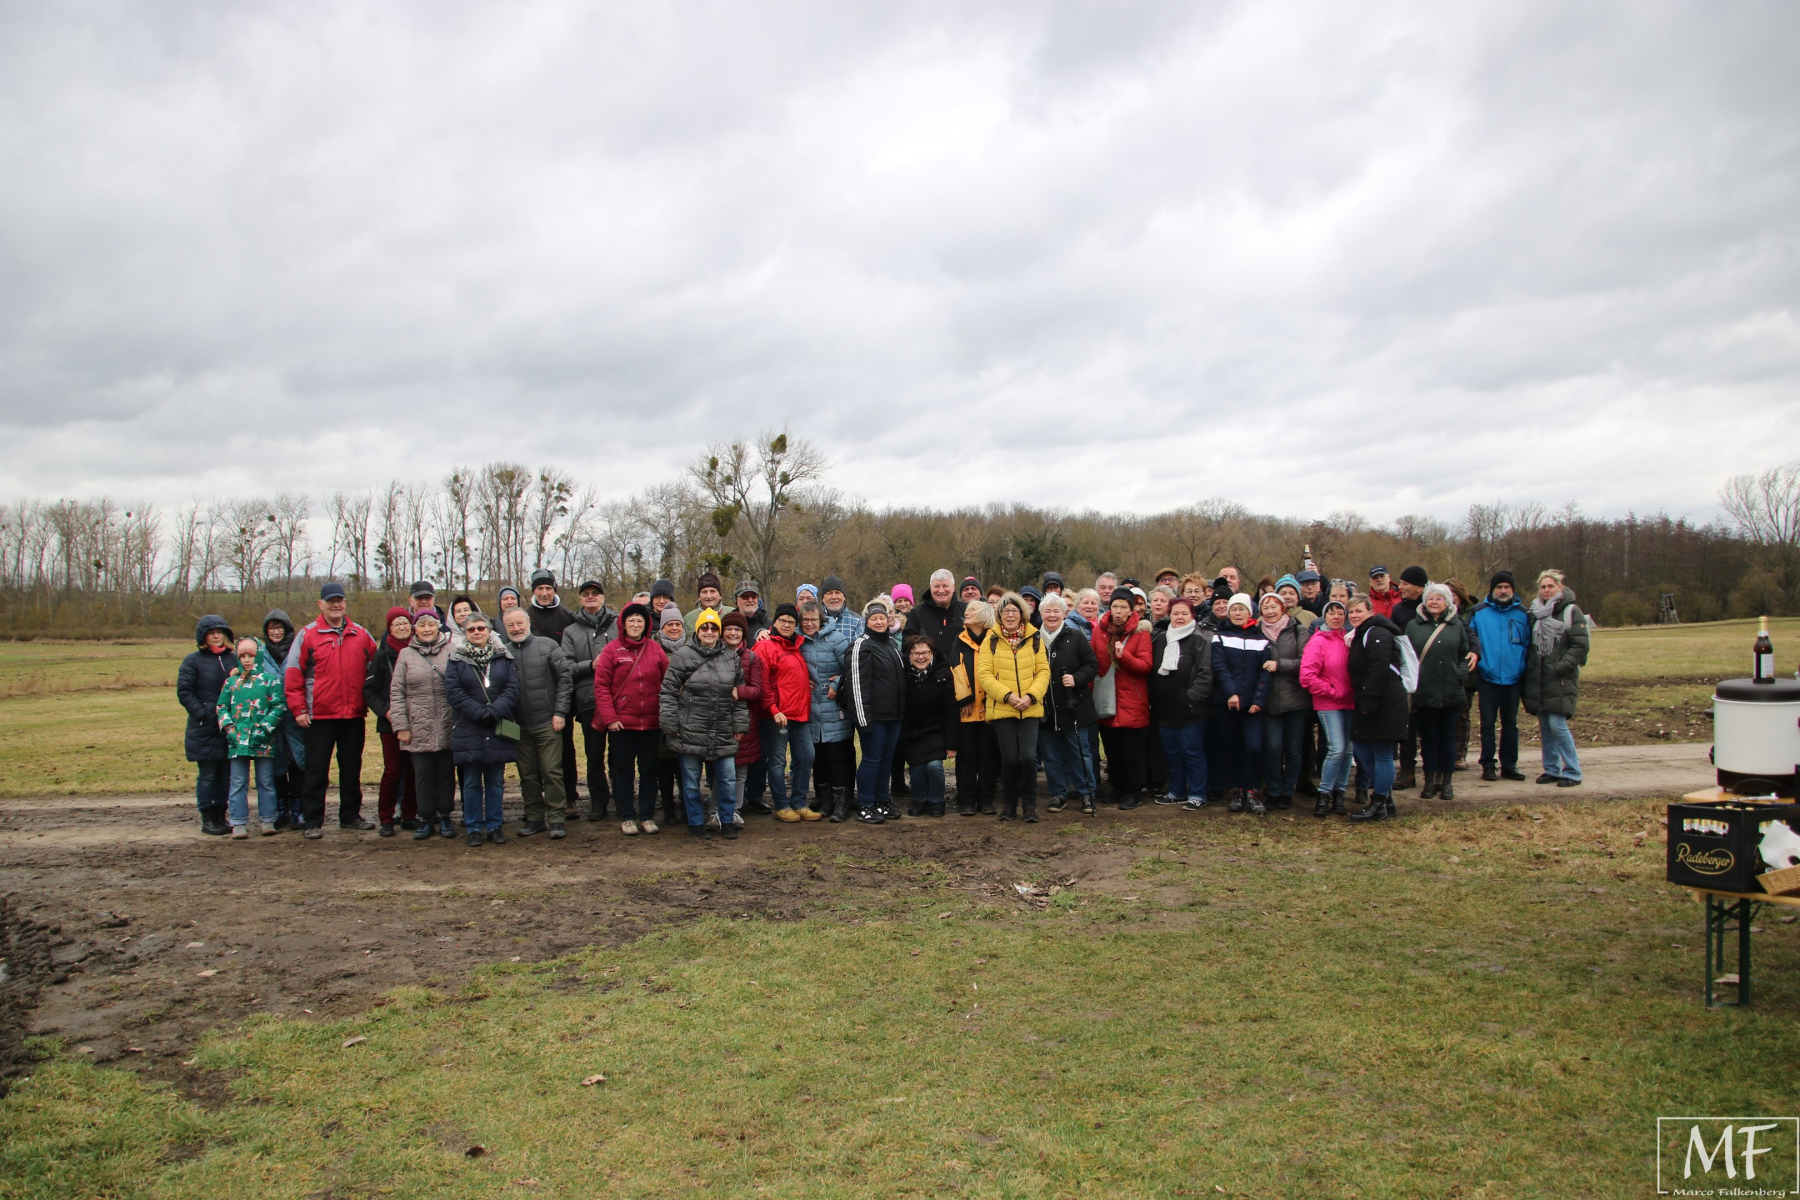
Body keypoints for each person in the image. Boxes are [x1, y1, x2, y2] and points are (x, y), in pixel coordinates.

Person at [284, 583, 379, 839]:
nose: (336, 605)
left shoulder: (361, 634)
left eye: (340, 601)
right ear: (321, 604)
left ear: (345, 603)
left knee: (351, 768)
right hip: (320, 715)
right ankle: (312, 821)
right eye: (330, 601)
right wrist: (299, 709)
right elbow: (293, 674)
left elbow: (376, 669)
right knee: (316, 770)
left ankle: (350, 816)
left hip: (353, 714)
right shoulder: (307, 635)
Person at [661, 608, 748, 841]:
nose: (709, 632)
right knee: (691, 781)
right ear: (697, 630)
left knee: (728, 778)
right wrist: (671, 725)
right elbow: (668, 692)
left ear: (719, 632)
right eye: (704, 627)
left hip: (723, 728)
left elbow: (738, 696)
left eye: (713, 628)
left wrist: (740, 726)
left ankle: (726, 821)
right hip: (689, 728)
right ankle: (696, 823)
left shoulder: (731, 657)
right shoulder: (682, 656)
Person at [444, 613, 519, 846]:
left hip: (497, 726)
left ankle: (495, 826)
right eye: (471, 629)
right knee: (471, 782)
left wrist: (494, 711)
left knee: (495, 781)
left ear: (488, 630)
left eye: (480, 628)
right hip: (469, 727)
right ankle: (474, 827)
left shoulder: (504, 657)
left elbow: (512, 688)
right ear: (465, 633)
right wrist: (478, 712)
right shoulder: (456, 660)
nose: (476, 632)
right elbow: (453, 692)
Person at [594, 602, 669, 835]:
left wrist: (665, 715)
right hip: (622, 724)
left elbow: (667, 682)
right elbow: (601, 687)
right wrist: (610, 718)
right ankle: (627, 816)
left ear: (646, 624)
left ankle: (647, 815)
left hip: (651, 723)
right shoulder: (611, 651)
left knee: (649, 771)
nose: (636, 624)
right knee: (624, 771)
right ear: (623, 624)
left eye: (640, 620)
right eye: (631, 620)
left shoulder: (655, 649)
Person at [975, 592, 1050, 822]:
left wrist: (1031, 696)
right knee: (1010, 759)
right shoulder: (990, 640)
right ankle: (1008, 805)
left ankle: (1029, 805)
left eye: (1014, 611)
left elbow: (1043, 671)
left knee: (1028, 758)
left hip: (1030, 707)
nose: (1010, 615)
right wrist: (1007, 696)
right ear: (999, 615)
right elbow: (984, 674)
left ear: (1021, 614)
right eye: (1005, 611)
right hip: (1002, 708)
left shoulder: (1035, 638)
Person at [501, 607, 573, 838]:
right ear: (505, 628)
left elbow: (564, 679)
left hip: (547, 722)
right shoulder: (502, 653)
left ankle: (556, 818)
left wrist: (560, 712)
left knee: (551, 771)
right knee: (527, 774)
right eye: (510, 625)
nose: (516, 628)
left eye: (519, 623)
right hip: (518, 726)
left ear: (528, 622)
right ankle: (534, 818)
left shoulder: (548, 646)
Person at [388, 608, 459, 840]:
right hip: (417, 724)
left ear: (438, 626)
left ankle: (446, 816)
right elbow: (397, 692)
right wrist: (401, 726)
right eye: (421, 625)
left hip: (447, 721)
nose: (427, 629)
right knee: (422, 775)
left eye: (431, 624)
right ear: (415, 629)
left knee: (446, 773)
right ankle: (426, 817)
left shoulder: (452, 650)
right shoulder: (406, 655)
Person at [1405, 583, 1477, 801]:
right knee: (1428, 738)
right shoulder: (1413, 626)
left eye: (1439, 598)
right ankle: (1429, 780)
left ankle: (1446, 781)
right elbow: (1406, 656)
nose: (1434, 602)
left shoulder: (1456, 625)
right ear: (1424, 602)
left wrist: (1460, 675)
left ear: (1448, 602)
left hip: (1451, 690)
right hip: (1425, 690)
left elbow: (1465, 653)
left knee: (1448, 737)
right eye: (1430, 598)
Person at [841, 595, 906, 823]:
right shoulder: (861, 645)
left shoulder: (891, 645)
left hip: (893, 715)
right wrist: (862, 718)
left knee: (886, 760)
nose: (879, 622)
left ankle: (882, 801)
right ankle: (865, 804)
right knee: (871, 760)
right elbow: (856, 684)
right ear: (866, 622)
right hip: (873, 717)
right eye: (874, 619)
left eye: (882, 618)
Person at [753, 602, 819, 821]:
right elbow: (761, 682)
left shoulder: (796, 646)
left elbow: (788, 676)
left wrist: (805, 681)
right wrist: (773, 709)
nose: (787, 625)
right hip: (776, 716)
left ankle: (799, 802)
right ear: (775, 622)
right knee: (778, 760)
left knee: (806, 756)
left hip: (799, 713)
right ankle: (781, 805)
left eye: (791, 621)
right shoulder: (765, 646)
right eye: (783, 620)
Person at [1523, 569, 1588, 787]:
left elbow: (1580, 646)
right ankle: (1551, 769)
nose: (1546, 590)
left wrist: (1560, 667)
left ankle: (1572, 771)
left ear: (1560, 587)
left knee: (1557, 724)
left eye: (1551, 586)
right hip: (1539, 678)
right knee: (1545, 726)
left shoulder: (1571, 612)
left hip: (1560, 678)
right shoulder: (1535, 613)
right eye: (1543, 587)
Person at [217, 635, 286, 837]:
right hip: (237, 742)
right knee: (238, 782)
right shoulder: (231, 682)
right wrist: (229, 728)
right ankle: (238, 821)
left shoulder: (270, 681)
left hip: (263, 741)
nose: (247, 660)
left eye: (251, 655)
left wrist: (264, 729)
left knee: (266, 781)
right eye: (243, 656)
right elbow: (222, 707)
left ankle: (268, 819)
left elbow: (279, 706)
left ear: (259, 656)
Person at [1148, 596, 1212, 809]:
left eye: (1185, 613)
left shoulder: (1200, 641)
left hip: (1190, 709)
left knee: (1192, 752)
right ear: (1170, 615)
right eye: (1176, 613)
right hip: (1164, 707)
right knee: (1171, 753)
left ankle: (1197, 794)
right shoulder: (1160, 640)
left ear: (1192, 616)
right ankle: (1176, 791)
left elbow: (1206, 674)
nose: (1180, 617)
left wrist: (1191, 699)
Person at [1466, 570, 1531, 782]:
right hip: (1488, 677)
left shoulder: (1524, 614)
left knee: (1510, 724)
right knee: (1487, 724)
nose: (1503, 591)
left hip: (1513, 678)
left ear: (1512, 590)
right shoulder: (1478, 612)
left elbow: (1529, 645)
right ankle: (1488, 764)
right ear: (1492, 590)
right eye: (1499, 587)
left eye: (1506, 587)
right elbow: (1469, 640)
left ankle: (1509, 765)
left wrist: (1523, 669)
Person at [1346, 597, 1407, 822]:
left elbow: (1378, 668)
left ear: (1370, 612)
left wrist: (1370, 700)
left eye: (1359, 611)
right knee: (1362, 749)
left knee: (1381, 752)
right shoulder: (1362, 633)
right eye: (1351, 612)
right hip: (1368, 696)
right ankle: (1385, 799)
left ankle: (1379, 803)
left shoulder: (1377, 632)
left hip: (1384, 699)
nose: (1354, 615)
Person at [563, 580, 618, 821]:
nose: (591, 597)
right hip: (588, 700)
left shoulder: (618, 625)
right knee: (594, 756)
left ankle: (622, 798)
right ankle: (598, 802)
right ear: (580, 599)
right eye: (586, 594)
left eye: (595, 593)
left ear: (603, 597)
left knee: (619, 755)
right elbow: (565, 666)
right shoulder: (571, 631)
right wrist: (590, 665)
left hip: (618, 700)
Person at [527, 568, 580, 817]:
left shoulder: (567, 616)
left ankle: (569, 797)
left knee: (565, 746)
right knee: (533, 750)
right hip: (532, 690)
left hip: (561, 689)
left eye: (548, 588)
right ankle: (537, 801)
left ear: (554, 590)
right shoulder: (526, 616)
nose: (544, 593)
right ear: (534, 591)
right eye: (540, 588)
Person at [1091, 591, 1152, 809]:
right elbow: (1092, 663)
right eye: (1115, 606)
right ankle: (1116, 787)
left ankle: (1133, 792)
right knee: (1112, 749)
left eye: (1123, 607)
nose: (1118, 611)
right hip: (1106, 698)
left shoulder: (1141, 633)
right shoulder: (1099, 631)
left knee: (1131, 751)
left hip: (1131, 700)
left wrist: (1123, 656)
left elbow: (1145, 666)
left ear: (1131, 610)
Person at [1037, 595, 1098, 814]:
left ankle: (1087, 794)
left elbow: (1092, 665)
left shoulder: (1076, 636)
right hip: (1045, 709)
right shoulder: (1034, 640)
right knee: (1051, 755)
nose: (1052, 615)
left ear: (1065, 613)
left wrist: (1076, 678)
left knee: (1080, 753)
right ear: (1041, 614)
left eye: (1056, 611)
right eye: (1048, 611)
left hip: (1074, 707)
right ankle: (1058, 794)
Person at [1212, 594, 1271, 814]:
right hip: (1226, 704)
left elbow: (1265, 673)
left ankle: (1253, 791)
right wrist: (1231, 693)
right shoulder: (1220, 637)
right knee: (1230, 748)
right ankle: (1235, 790)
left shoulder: (1261, 639)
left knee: (1254, 748)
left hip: (1252, 706)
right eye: (1234, 609)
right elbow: (1219, 667)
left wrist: (1258, 700)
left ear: (1250, 612)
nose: (1238, 613)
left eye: (1242, 609)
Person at [364, 607, 419, 837]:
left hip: (417, 720)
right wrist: (385, 712)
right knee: (393, 770)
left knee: (414, 769)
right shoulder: (382, 655)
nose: (402, 627)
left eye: (405, 623)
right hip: (390, 723)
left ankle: (409, 814)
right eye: (396, 624)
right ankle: (386, 817)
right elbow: (369, 690)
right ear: (390, 628)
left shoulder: (418, 650)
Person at [1257, 591, 1312, 810]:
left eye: (1274, 607)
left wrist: (1279, 665)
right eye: (1266, 607)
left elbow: (1305, 661)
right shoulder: (1256, 632)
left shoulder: (1298, 630)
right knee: (1272, 748)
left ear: (1282, 608)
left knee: (1294, 749)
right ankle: (1274, 789)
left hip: (1295, 699)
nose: (1270, 611)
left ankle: (1288, 791)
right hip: (1268, 700)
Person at [799, 602, 854, 820]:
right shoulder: (798, 641)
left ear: (820, 619)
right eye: (805, 620)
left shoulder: (837, 639)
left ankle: (842, 801)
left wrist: (837, 683)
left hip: (834, 706)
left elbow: (850, 666)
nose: (809, 624)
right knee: (818, 756)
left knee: (836, 756)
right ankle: (825, 798)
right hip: (810, 707)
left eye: (813, 619)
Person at [1299, 600, 1354, 816]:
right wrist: (1331, 691)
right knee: (1336, 748)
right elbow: (1307, 676)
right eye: (1331, 613)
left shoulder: (1349, 639)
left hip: (1350, 702)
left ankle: (1339, 792)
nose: (1336, 617)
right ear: (1325, 617)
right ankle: (1324, 792)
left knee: (1348, 750)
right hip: (1328, 702)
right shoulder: (1317, 641)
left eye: (1340, 613)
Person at [900, 633, 959, 818]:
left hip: (935, 730)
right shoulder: (902, 674)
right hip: (911, 731)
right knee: (917, 767)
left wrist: (952, 744)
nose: (921, 657)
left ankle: (936, 800)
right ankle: (919, 799)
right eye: (915, 653)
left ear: (932, 653)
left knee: (934, 766)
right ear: (909, 655)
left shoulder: (944, 674)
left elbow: (950, 711)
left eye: (925, 652)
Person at [258, 609, 305, 829]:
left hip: (295, 717)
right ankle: (281, 808)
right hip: (270, 720)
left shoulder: (298, 650)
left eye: (280, 628)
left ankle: (298, 809)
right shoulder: (260, 654)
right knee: (275, 765)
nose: (276, 632)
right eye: (271, 628)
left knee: (297, 763)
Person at [952, 601, 1001, 816]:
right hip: (967, 711)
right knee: (966, 758)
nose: (967, 613)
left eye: (972, 610)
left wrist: (992, 700)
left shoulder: (996, 640)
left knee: (989, 757)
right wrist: (964, 699)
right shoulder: (959, 640)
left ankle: (987, 800)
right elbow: (955, 669)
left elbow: (1000, 671)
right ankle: (966, 801)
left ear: (983, 615)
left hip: (991, 710)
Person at [721, 612, 764, 826]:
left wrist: (738, 691)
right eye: (729, 628)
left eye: (737, 629)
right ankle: (718, 809)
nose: (733, 633)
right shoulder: (713, 654)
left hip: (745, 721)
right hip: (718, 720)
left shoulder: (752, 658)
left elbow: (758, 691)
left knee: (740, 771)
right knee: (720, 770)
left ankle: (735, 809)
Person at [910, 569, 967, 665]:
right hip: (930, 673)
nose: (941, 590)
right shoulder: (917, 614)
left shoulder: (967, 611)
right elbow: (908, 649)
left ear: (953, 587)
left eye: (945, 586)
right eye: (936, 586)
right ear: (930, 587)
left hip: (962, 671)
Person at [819, 575, 863, 640]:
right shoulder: (813, 620)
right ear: (822, 598)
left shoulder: (858, 622)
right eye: (829, 593)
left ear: (844, 597)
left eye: (837, 593)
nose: (834, 597)